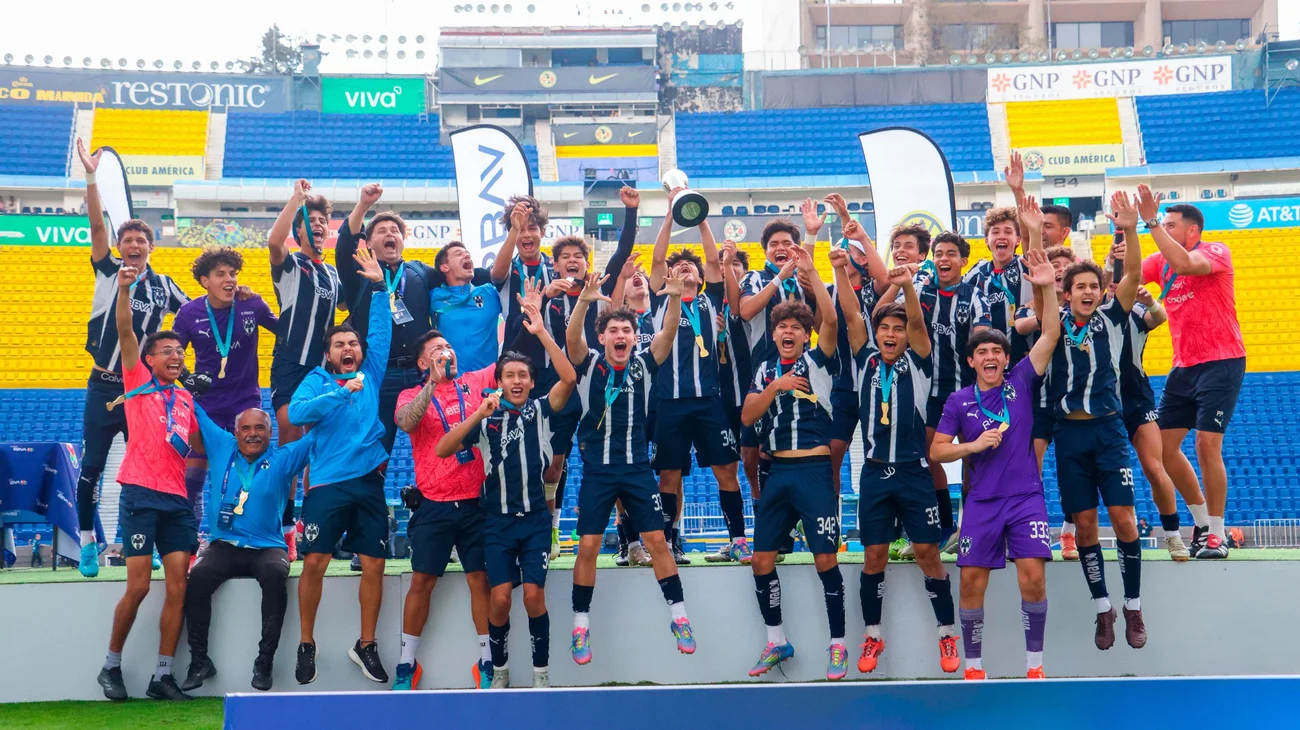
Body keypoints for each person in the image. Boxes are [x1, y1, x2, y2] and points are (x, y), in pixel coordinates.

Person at [932, 248, 1060, 681]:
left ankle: (1034, 666)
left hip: (1026, 499)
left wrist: (1045, 285)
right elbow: (937, 451)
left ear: (1006, 359)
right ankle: (974, 667)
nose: (990, 357)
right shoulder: (958, 400)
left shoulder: (1022, 380)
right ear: (971, 361)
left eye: (997, 351)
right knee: (971, 582)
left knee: (1032, 578)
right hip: (982, 501)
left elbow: (1049, 335)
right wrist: (972, 447)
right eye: (982, 351)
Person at [434, 302, 578, 690]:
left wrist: (541, 334)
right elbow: (443, 450)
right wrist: (478, 414)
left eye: (523, 375)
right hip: (495, 522)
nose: (516, 380)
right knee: (498, 600)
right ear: (499, 381)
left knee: (533, 597)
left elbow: (569, 377)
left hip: (534, 522)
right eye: (509, 375)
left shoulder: (543, 410)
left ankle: (542, 673)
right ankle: (499, 670)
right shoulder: (488, 418)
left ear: (531, 381)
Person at [564, 269, 696, 665]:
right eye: (613, 330)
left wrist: (673, 296)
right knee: (587, 545)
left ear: (633, 337)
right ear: (603, 337)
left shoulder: (643, 363)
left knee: (658, 541)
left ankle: (680, 617)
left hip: (638, 469)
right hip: (598, 472)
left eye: (626, 330)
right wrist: (585, 301)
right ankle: (581, 625)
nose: (620, 336)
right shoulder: (588, 364)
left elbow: (668, 335)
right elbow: (572, 338)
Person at [75, 139, 190, 578]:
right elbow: (96, 227)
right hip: (104, 383)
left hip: (143, 390)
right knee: (92, 467)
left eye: (142, 239)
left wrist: (237, 296)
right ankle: (87, 544)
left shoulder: (164, 285)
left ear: (151, 246)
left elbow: (197, 312)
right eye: (128, 239)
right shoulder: (108, 270)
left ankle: (144, 543)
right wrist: (90, 177)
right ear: (120, 247)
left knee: (150, 466)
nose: (134, 245)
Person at [843, 254, 960, 678]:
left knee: (928, 552)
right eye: (884, 329)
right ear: (877, 336)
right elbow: (853, 317)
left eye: (898, 330)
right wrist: (840, 269)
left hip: (913, 471)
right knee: (874, 555)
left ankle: (946, 633)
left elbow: (918, 325)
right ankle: (873, 633)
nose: (891, 334)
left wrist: (909, 286)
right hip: (875, 471)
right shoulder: (865, 361)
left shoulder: (921, 362)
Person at [741, 248, 849, 681]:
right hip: (778, 472)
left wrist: (813, 273)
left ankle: (838, 645)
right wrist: (777, 387)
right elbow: (748, 415)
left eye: (796, 328)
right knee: (761, 561)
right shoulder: (766, 368)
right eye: (782, 326)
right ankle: (776, 640)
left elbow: (834, 322)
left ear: (806, 335)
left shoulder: (819, 361)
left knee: (825, 560)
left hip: (813, 471)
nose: (788, 332)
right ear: (774, 332)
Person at [96, 263, 202, 702]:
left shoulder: (187, 397)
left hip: (177, 501)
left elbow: (193, 449)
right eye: (167, 351)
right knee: (139, 586)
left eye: (180, 351)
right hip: (140, 493)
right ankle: (111, 666)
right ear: (150, 360)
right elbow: (125, 333)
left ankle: (162, 675)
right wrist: (124, 291)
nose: (176, 356)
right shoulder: (137, 379)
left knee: (178, 587)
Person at [288, 245, 391, 685]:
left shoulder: (372, 370)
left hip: (368, 481)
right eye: (340, 345)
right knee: (315, 562)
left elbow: (382, 332)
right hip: (327, 485)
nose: (348, 348)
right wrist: (341, 392)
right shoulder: (318, 380)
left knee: (375, 564)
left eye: (353, 344)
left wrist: (380, 287)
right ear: (329, 354)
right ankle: (307, 643)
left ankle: (365, 645)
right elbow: (296, 414)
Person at [1050, 190, 1146, 652]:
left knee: (1124, 520)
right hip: (1070, 435)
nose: (1088, 293)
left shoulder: (1111, 316)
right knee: (1085, 527)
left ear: (1102, 292)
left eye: (1094, 286)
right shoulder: (1053, 325)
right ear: (1066, 295)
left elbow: (1134, 274)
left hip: (1109, 430)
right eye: (1079, 288)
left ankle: (1133, 605)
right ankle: (1102, 610)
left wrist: (1129, 227)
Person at [1136, 187, 1245, 560]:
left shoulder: (1215, 251)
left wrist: (1150, 221)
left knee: (1205, 444)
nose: (1162, 229)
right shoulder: (1159, 259)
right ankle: (1200, 523)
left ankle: (1218, 533)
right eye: (1162, 224)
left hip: (1222, 360)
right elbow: (1129, 272)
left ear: (1192, 230)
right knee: (1163, 449)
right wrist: (1120, 236)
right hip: (1183, 366)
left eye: (1170, 225)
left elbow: (1184, 264)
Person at [339, 183, 485, 455]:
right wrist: (363, 205)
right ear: (369, 242)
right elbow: (345, 240)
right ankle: (373, 497)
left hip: (423, 373)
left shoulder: (419, 271)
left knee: (437, 442)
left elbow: (455, 274)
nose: (389, 234)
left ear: (403, 240)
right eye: (381, 231)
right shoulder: (357, 272)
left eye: (394, 230)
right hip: (380, 374)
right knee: (376, 449)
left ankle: (434, 496)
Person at [390, 331, 499, 691]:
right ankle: (407, 663)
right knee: (421, 581)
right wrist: (432, 386)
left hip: (475, 502)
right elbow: (406, 421)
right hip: (434, 502)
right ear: (423, 363)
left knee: (479, 580)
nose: (446, 352)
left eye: (449, 347)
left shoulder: (474, 381)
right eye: (437, 350)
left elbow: (512, 364)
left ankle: (486, 659)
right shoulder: (410, 394)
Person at [182, 405, 313, 692]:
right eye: (246, 428)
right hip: (224, 544)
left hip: (267, 546)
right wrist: (184, 378)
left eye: (260, 428)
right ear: (235, 432)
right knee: (198, 578)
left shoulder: (282, 458)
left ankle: (264, 661)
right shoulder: (221, 446)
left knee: (275, 575)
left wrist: (341, 395)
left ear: (270, 433)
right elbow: (197, 411)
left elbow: (315, 437)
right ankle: (199, 660)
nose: (252, 434)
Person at [880, 232, 991, 552]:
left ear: (963, 261)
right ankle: (944, 527)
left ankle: (971, 530)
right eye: (939, 253)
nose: (944, 259)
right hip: (929, 392)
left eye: (951, 254)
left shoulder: (973, 297)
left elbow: (982, 342)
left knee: (975, 460)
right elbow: (882, 312)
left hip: (968, 392)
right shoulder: (921, 291)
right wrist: (903, 283)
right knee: (927, 457)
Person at [647, 192, 742, 566]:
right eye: (679, 267)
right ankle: (669, 542)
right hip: (669, 401)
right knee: (668, 476)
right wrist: (671, 216)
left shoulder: (711, 301)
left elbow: (714, 259)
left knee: (725, 470)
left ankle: (737, 539)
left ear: (702, 277)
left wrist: (699, 215)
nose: (686, 269)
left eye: (693, 267)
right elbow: (657, 258)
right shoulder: (660, 300)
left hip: (708, 402)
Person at [171, 247, 277, 536]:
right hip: (206, 407)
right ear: (205, 280)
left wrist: (263, 301)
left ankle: (256, 534)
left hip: (246, 404)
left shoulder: (250, 304)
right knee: (193, 478)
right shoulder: (189, 312)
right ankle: (188, 543)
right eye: (221, 274)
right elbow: (173, 354)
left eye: (233, 273)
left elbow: (286, 332)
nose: (229, 279)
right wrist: (187, 378)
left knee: (249, 475)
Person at [1106, 240, 1196, 561]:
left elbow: (1158, 318)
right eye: (1110, 277)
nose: (1116, 285)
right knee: (1090, 469)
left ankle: (1173, 535)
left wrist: (1150, 299)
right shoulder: (1092, 310)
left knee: (1154, 468)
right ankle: (1073, 534)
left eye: (1121, 279)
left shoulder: (1135, 309)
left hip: (1136, 400)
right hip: (1102, 404)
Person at [267, 179, 343, 554]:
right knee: (291, 443)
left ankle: (313, 521)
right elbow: (272, 244)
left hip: (322, 372)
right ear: (298, 231)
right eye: (308, 220)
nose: (316, 224)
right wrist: (295, 199)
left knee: (322, 448)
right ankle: (283, 527)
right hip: (290, 366)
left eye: (320, 220)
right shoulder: (292, 265)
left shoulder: (333, 275)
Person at [703, 240, 757, 563]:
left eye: (735, 265)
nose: (729, 270)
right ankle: (737, 540)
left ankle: (769, 537)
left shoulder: (751, 305)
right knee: (725, 471)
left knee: (755, 467)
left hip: (749, 398)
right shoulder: (705, 306)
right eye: (724, 266)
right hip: (715, 403)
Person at [429, 240, 502, 372]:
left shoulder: (489, 292)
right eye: (458, 254)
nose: (467, 256)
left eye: (468, 254)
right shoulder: (433, 296)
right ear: (445, 267)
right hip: (451, 381)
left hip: (488, 384)